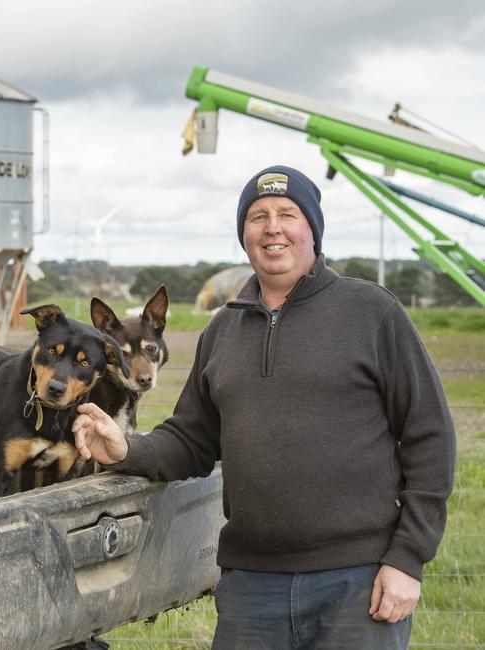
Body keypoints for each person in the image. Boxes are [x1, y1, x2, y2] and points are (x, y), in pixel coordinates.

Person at [72, 165, 456, 649]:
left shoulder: (372, 313)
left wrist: (407, 558)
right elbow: (191, 440)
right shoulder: (222, 331)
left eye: (287, 214)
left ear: (311, 229)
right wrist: (124, 447)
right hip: (253, 586)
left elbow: (430, 437)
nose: (272, 227)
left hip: (357, 581)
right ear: (244, 236)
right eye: (257, 217)